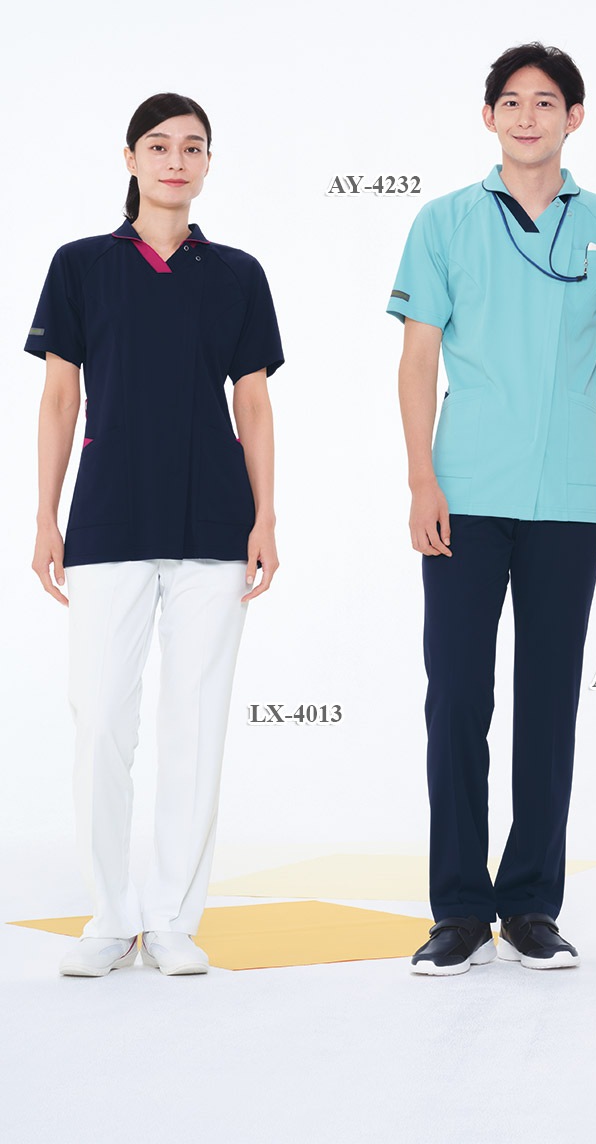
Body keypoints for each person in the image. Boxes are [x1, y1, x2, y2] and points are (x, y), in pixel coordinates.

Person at [387, 43, 596, 975]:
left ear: (574, 117)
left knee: (548, 701)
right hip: (464, 492)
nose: (528, 116)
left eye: (546, 102)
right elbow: (417, 359)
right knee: (459, 697)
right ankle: (459, 910)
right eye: (511, 101)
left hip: (569, 498)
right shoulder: (443, 222)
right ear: (489, 116)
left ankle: (533, 905)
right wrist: (421, 479)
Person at [26, 92, 284, 978]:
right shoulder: (81, 266)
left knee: (196, 722)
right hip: (107, 517)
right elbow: (59, 398)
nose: (178, 161)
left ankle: (172, 919)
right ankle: (110, 916)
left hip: (215, 518)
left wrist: (265, 516)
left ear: (209, 164)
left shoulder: (238, 273)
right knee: (101, 717)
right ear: (131, 158)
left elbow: (253, 402)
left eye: (194, 147)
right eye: (161, 146)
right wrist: (44, 515)